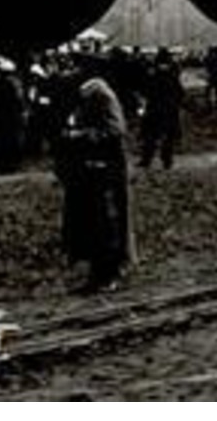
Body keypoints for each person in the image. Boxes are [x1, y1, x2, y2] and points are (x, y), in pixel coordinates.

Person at [56, 78, 136, 291]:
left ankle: (109, 273)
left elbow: (115, 130)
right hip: (89, 172)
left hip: (106, 173)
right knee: (91, 224)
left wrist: (81, 135)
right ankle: (97, 274)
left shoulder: (101, 96)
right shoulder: (88, 96)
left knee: (106, 224)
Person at [139, 53, 185, 170]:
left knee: (152, 137)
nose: (163, 66)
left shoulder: (153, 76)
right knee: (164, 137)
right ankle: (165, 161)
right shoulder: (172, 77)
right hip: (167, 110)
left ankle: (148, 159)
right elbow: (180, 94)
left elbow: (145, 91)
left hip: (156, 110)